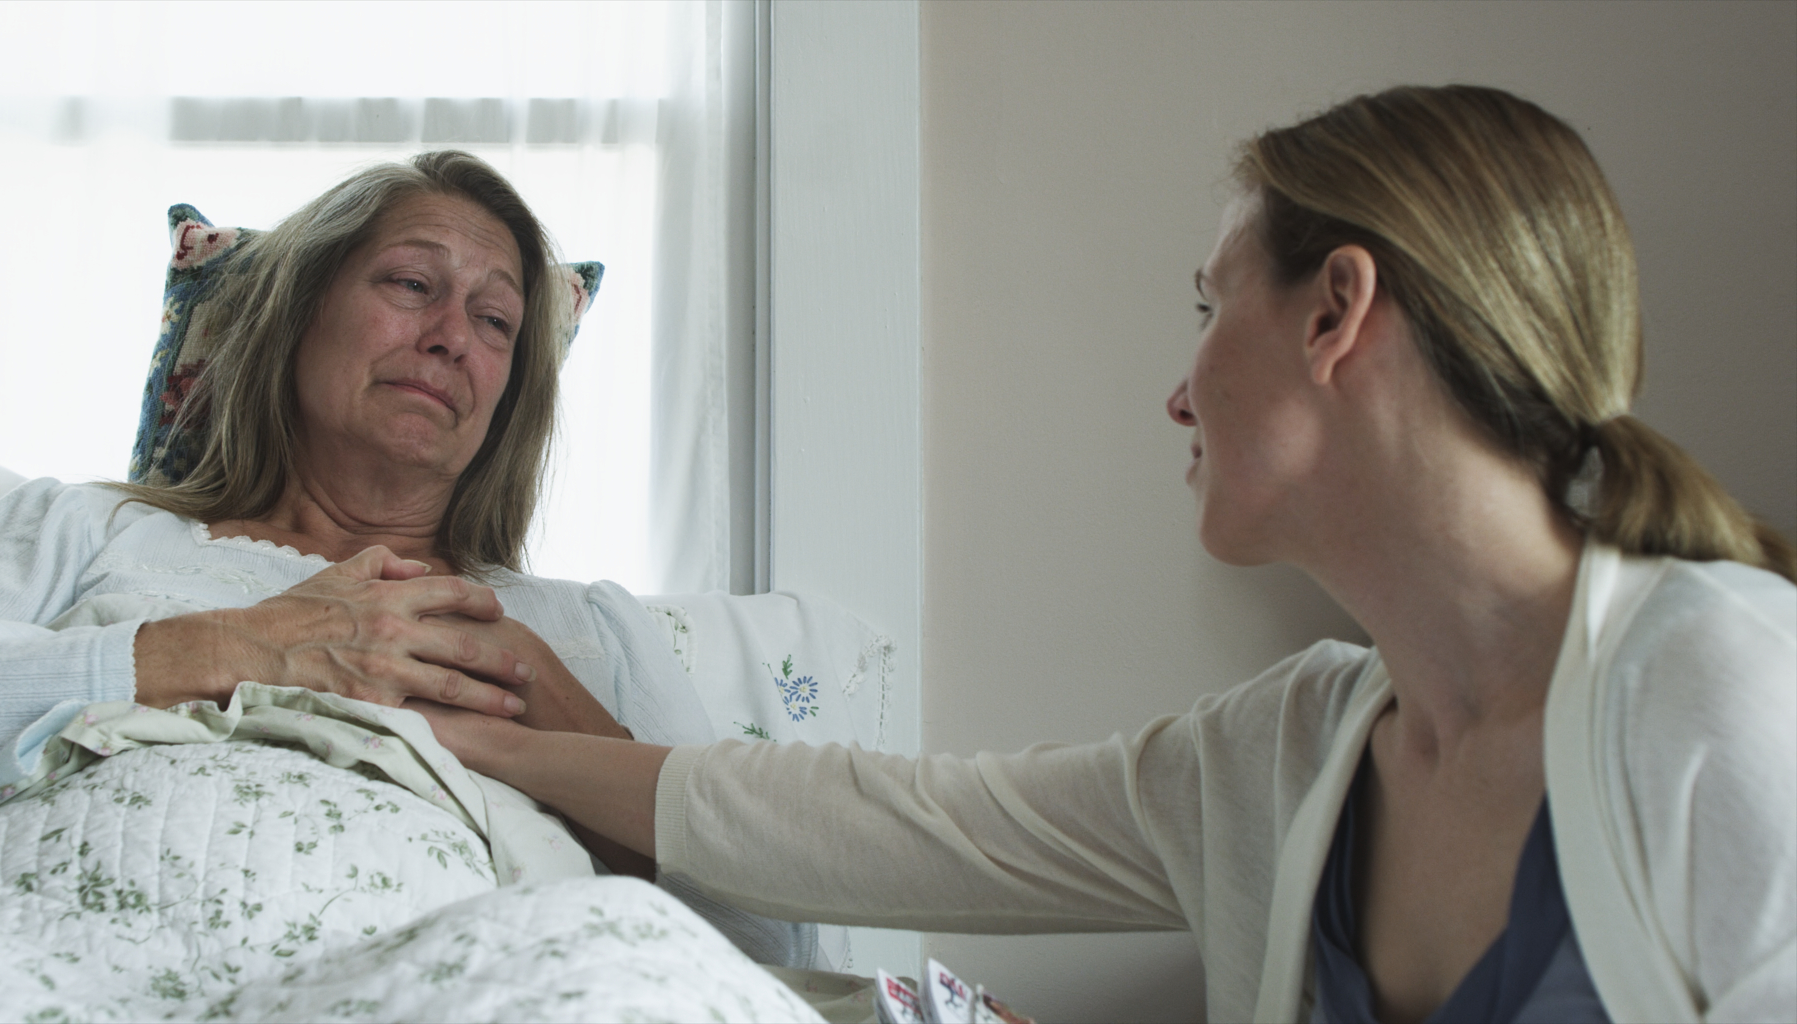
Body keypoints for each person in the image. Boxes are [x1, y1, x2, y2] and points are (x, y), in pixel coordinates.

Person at [419, 86, 1797, 1023]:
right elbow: (903, 826)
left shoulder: (1727, 691)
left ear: (1337, 313)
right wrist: (501, 742)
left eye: (1207, 306)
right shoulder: (1292, 750)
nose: (1179, 391)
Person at [0, 150, 814, 967]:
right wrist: (240, 643)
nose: (452, 334)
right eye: (411, 283)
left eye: (495, 319)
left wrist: (547, 706)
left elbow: (767, 955)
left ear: (508, 400)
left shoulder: (581, 631)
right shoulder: (84, 529)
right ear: (298, 314)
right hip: (17, 935)